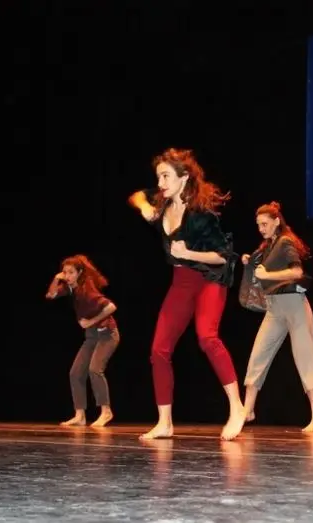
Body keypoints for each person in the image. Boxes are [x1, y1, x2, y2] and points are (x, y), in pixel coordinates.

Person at [128, 147, 245, 441]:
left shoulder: (201, 214)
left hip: (209, 278)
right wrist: (144, 208)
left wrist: (189, 253)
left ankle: (237, 407)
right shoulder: (162, 202)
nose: (160, 183)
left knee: (207, 337)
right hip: (181, 281)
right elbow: (137, 195)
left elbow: (223, 257)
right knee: (159, 350)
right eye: (158, 177)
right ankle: (165, 422)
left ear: (184, 177)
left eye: (166, 176)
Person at [241, 201, 313, 432]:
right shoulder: (268, 246)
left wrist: (268, 274)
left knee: (305, 356)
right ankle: (248, 410)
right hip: (274, 308)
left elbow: (297, 271)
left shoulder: (285, 241)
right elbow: (262, 269)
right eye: (258, 225)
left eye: (265, 224)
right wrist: (250, 260)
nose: (261, 228)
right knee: (258, 355)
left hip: (294, 304)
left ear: (277, 221)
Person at [46, 254, 120, 428]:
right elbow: (50, 295)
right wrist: (56, 278)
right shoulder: (71, 288)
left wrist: (91, 321)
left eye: (71, 272)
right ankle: (80, 415)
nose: (67, 276)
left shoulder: (87, 290)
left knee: (95, 370)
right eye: (65, 272)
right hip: (92, 336)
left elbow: (111, 306)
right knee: (76, 373)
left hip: (107, 334)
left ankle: (106, 411)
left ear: (79, 273)